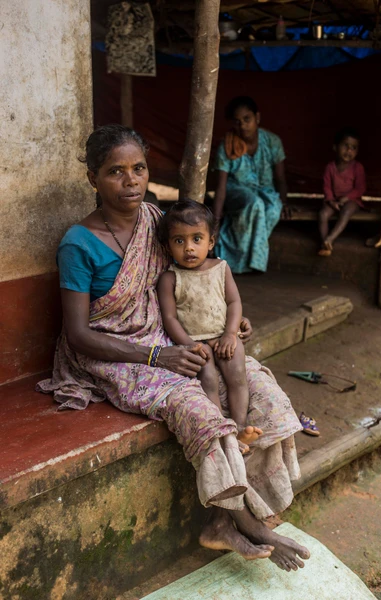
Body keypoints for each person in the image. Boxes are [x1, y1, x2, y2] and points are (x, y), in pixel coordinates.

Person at [37, 124, 310, 570]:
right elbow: (78, 335)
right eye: (115, 172)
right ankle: (239, 521)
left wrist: (229, 321)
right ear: (92, 178)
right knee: (196, 406)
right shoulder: (78, 244)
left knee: (257, 384)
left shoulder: (156, 221)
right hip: (111, 352)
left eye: (138, 169)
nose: (130, 181)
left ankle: (232, 518)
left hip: (170, 336)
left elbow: (196, 279)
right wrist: (154, 356)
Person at [157, 200, 263, 449]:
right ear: (167, 246)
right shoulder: (170, 278)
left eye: (197, 239)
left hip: (223, 335)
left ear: (211, 242)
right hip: (195, 342)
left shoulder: (221, 268)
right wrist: (190, 345)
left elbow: (234, 301)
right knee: (209, 379)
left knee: (237, 376)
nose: (189, 248)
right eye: (179, 241)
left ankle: (239, 428)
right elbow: (170, 318)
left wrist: (230, 334)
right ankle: (222, 432)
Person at [213, 96, 288, 274]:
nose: (243, 126)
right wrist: (215, 221)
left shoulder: (272, 141)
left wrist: (283, 202)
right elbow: (221, 187)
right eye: (237, 122)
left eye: (247, 119)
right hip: (236, 191)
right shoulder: (227, 146)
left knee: (273, 207)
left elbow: (281, 178)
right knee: (254, 203)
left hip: (265, 191)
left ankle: (251, 261)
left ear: (257, 118)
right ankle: (238, 264)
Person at [318, 127, 366, 257]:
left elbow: (360, 189)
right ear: (335, 147)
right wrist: (331, 200)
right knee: (323, 214)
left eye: (353, 148)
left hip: (352, 201)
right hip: (334, 200)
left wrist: (346, 198)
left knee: (346, 211)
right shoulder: (330, 167)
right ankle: (324, 244)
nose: (349, 151)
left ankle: (330, 239)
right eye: (345, 146)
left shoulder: (357, 167)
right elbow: (326, 186)